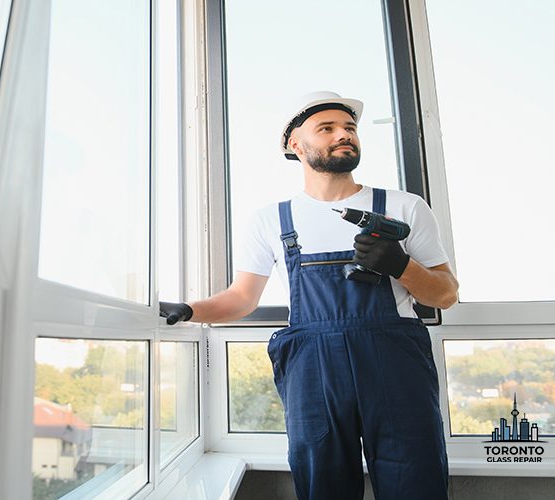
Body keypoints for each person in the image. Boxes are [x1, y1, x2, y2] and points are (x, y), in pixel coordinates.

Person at [159, 91, 457, 500]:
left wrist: (400, 265)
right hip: (314, 374)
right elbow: (242, 298)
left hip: (395, 367)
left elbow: (445, 295)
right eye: (327, 128)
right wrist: (189, 309)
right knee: (323, 485)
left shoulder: (404, 208)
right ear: (296, 145)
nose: (344, 135)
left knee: (416, 482)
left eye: (350, 128)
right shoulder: (271, 220)